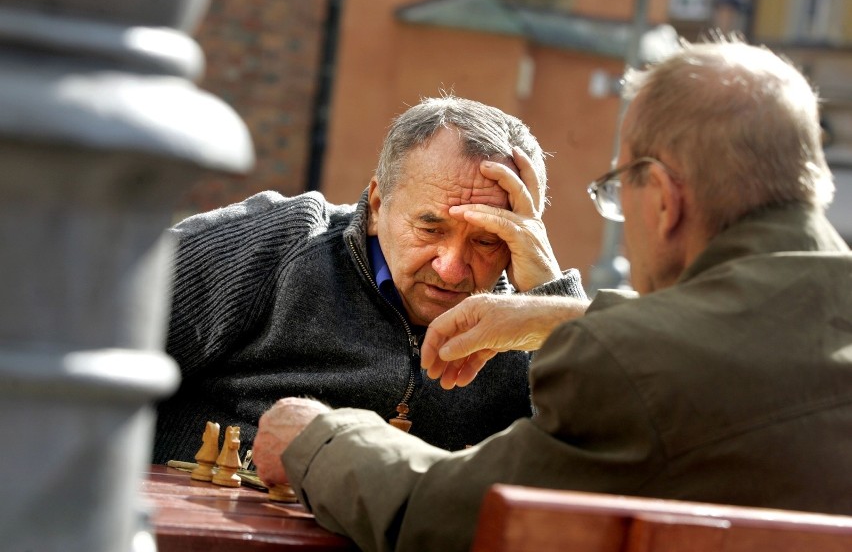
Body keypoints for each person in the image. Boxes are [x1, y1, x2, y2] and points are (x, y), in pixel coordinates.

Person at [253, 38, 852, 552]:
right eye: (430, 226)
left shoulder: (636, 361)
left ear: (664, 200)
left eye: (618, 188)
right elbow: (743, 330)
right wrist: (564, 313)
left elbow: (447, 519)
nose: (451, 264)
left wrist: (318, 439)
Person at [153, 95, 587, 464]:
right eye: (430, 229)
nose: (451, 268)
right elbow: (97, 321)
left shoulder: (530, 331)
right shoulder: (281, 242)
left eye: (488, 241)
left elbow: (609, 471)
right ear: (378, 205)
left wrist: (551, 305)